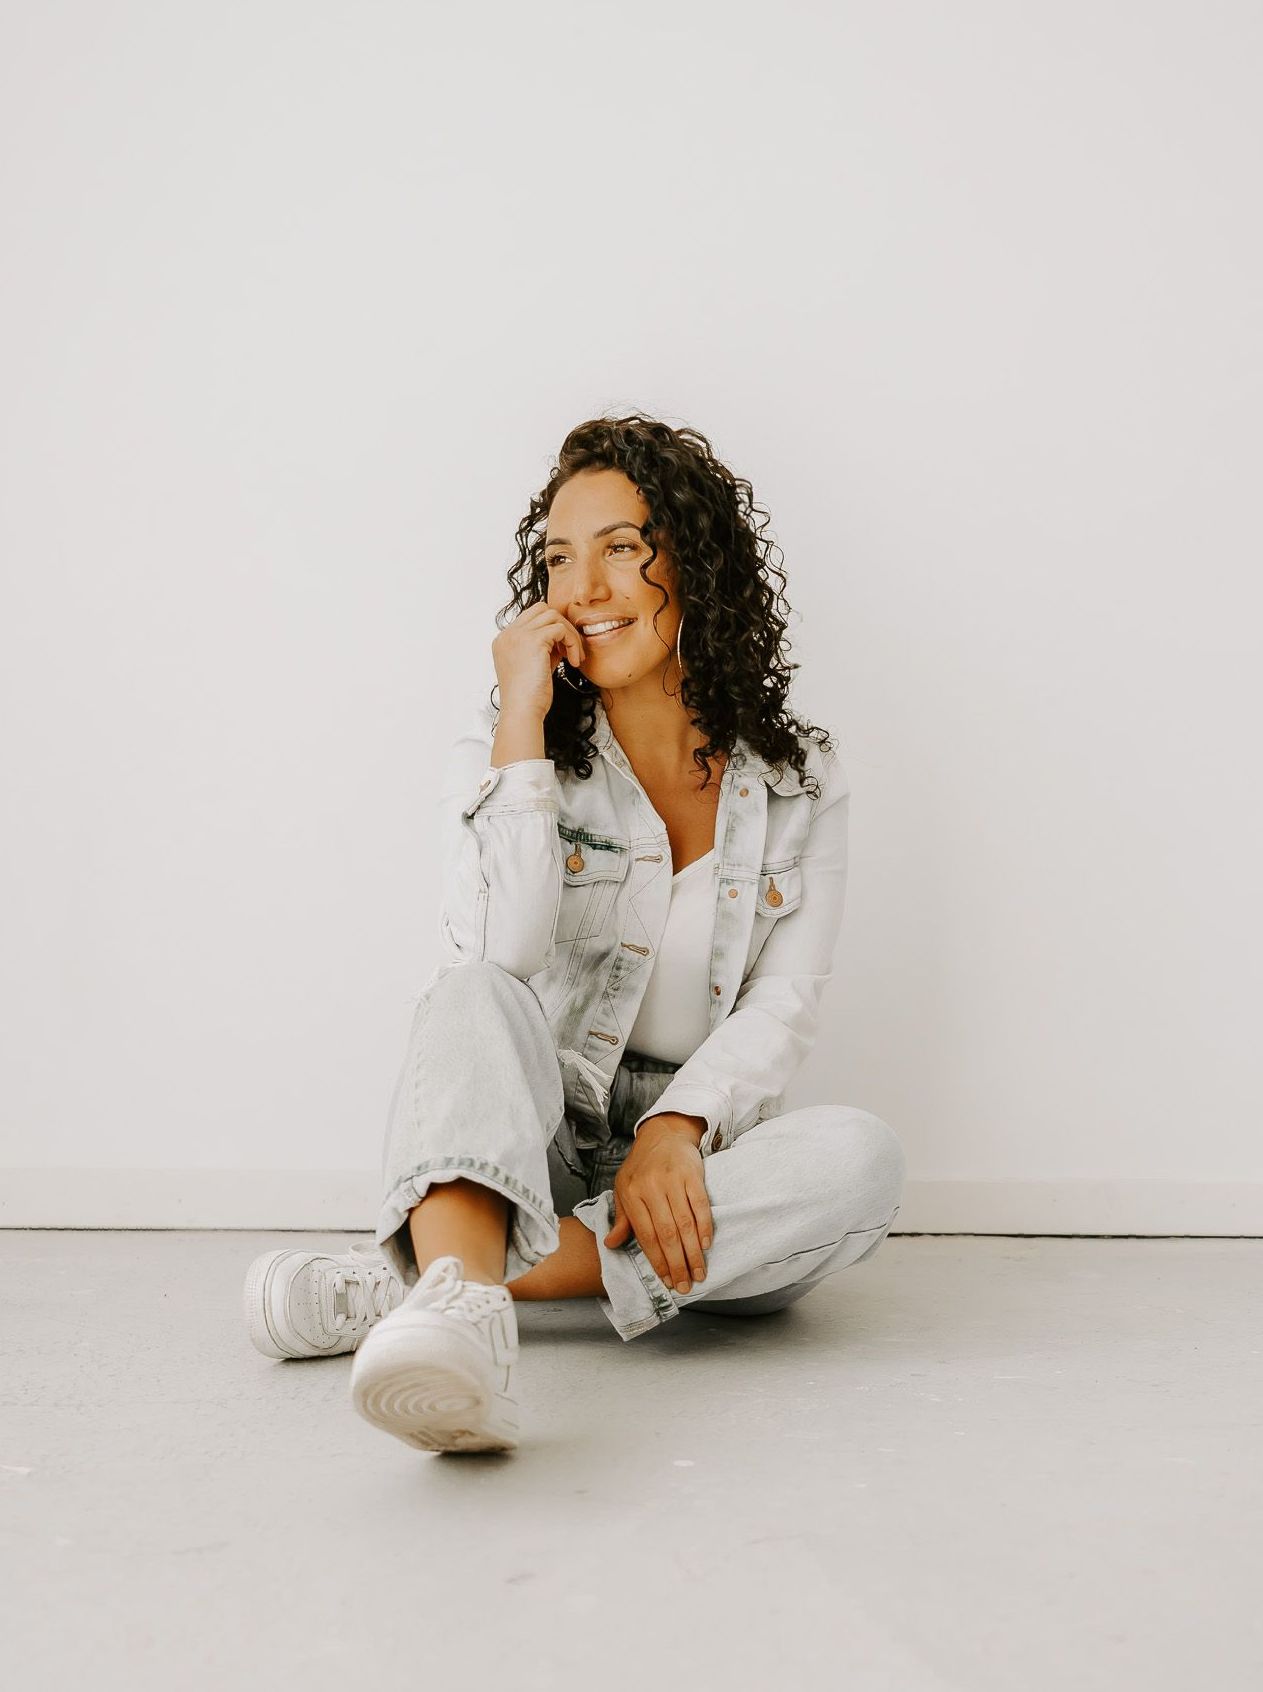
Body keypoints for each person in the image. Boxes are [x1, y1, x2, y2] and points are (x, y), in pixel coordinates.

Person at [242, 414, 906, 1455]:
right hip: (532, 1134)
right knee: (466, 993)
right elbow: (498, 964)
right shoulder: (505, 749)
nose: (583, 588)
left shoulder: (800, 777)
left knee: (861, 1161)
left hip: (690, 1177)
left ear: (698, 569)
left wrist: (676, 1128)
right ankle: (465, 1305)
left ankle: (432, 1283)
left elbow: (786, 1000)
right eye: (558, 558)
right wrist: (520, 724)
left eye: (621, 550)